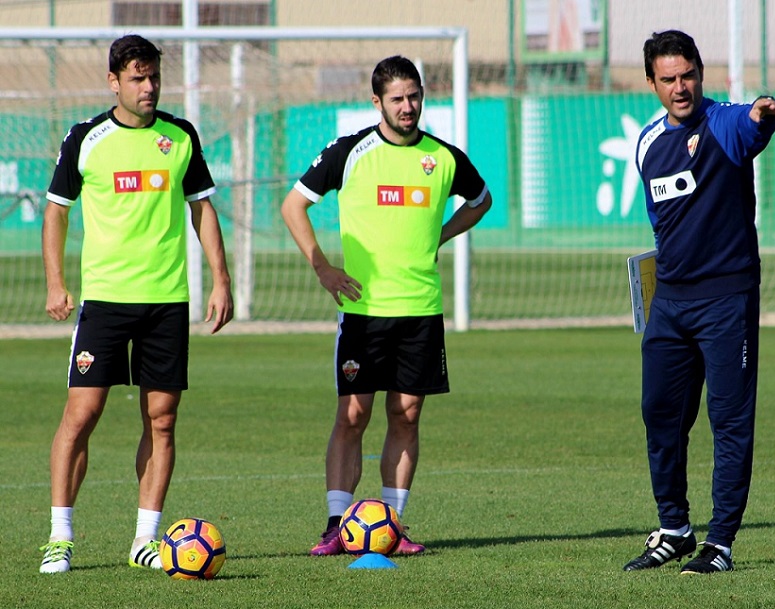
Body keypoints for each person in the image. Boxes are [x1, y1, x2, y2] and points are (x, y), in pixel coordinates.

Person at [281, 55, 492, 556]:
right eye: (397, 98)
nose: (408, 106)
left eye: (414, 96)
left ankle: (391, 525)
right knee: (353, 415)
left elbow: (481, 200)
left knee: (407, 414)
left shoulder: (444, 158)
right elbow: (294, 205)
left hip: (420, 308)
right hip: (363, 310)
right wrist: (323, 268)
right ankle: (336, 525)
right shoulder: (350, 151)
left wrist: (439, 236)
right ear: (376, 102)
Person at [39, 34, 234, 574]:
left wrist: (221, 278)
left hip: (167, 301)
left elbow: (203, 209)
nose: (148, 88)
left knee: (163, 420)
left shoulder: (181, 136)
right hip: (104, 302)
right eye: (137, 78)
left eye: (154, 78)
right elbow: (56, 211)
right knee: (82, 414)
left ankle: (145, 540)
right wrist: (56, 282)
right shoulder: (86, 138)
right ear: (114, 82)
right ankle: (60, 536)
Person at [623, 30, 775, 575]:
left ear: (701, 73)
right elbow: (665, 224)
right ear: (651, 83)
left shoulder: (723, 124)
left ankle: (721, 542)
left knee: (729, 420)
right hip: (670, 302)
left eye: (687, 75)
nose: (680, 87)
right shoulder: (646, 143)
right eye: (668, 79)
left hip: (726, 302)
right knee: (659, 413)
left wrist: (764, 113)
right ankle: (674, 529)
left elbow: (752, 123)